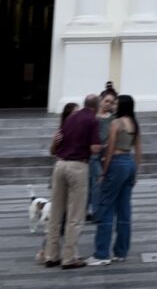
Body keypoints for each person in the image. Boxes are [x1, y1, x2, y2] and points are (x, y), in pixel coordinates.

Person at [44, 94, 101, 269]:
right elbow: (94, 148)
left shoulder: (70, 118)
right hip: (78, 166)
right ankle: (69, 257)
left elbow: (58, 141)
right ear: (96, 106)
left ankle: (51, 255)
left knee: (56, 213)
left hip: (60, 164)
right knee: (75, 215)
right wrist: (104, 147)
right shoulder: (92, 120)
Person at [87, 94, 142, 265]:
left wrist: (103, 171)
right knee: (124, 210)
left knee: (106, 206)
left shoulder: (116, 123)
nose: (114, 106)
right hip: (129, 162)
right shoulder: (134, 124)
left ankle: (102, 253)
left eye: (117, 103)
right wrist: (135, 172)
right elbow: (139, 151)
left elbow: (110, 149)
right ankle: (121, 251)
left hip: (116, 163)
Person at [88, 87, 117, 221]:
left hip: (105, 153)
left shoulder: (112, 118)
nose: (108, 104)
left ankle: (96, 211)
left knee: (98, 182)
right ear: (100, 100)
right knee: (92, 182)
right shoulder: (93, 117)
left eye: (111, 102)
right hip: (92, 153)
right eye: (107, 101)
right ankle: (91, 211)